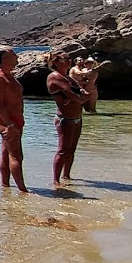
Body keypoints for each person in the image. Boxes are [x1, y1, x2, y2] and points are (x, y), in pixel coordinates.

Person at [0, 47, 28, 193]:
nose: (17, 56)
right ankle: (23, 191)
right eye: (13, 54)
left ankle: (5, 187)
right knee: (16, 155)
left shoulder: (8, 74)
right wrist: (9, 124)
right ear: (4, 58)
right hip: (7, 120)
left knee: (6, 152)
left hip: (14, 118)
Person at [47, 51, 87, 186]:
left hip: (76, 117)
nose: (69, 61)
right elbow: (74, 96)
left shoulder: (68, 78)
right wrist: (77, 98)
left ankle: (67, 176)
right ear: (56, 62)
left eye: (69, 58)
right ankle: (56, 181)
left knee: (72, 149)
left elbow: (84, 94)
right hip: (65, 118)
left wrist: (77, 98)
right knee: (63, 150)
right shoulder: (55, 77)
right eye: (65, 59)